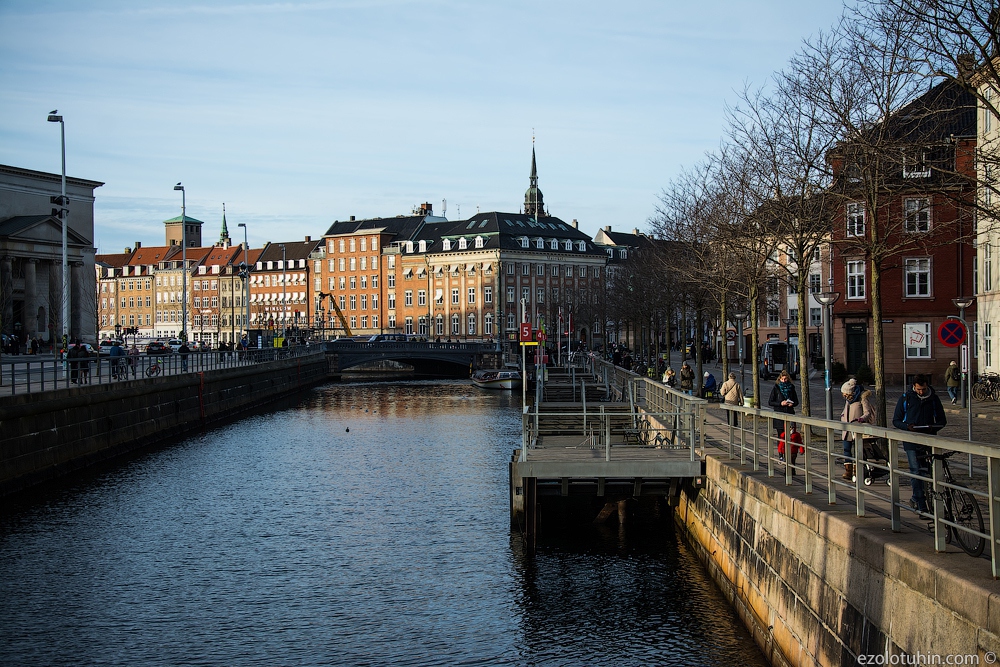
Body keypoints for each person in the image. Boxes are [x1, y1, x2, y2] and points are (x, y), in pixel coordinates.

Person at [892, 374, 946, 514]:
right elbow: (896, 420)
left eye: (923, 389)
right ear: (914, 387)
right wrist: (907, 427)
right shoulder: (906, 398)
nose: (921, 392)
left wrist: (932, 427)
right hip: (911, 441)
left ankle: (922, 499)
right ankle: (921, 504)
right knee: (915, 471)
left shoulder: (933, 398)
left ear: (927, 386)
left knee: (929, 472)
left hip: (929, 439)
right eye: (918, 389)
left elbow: (942, 420)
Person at [839, 378, 874, 480]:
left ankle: (857, 470)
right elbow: (846, 410)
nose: (844, 396)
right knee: (846, 449)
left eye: (845, 394)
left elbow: (867, 412)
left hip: (858, 428)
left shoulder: (862, 398)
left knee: (858, 450)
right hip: (847, 428)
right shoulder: (848, 401)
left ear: (851, 393)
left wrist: (861, 419)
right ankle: (848, 471)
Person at [767, 370, 798, 436]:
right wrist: (780, 403)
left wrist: (792, 404)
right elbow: (770, 402)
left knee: (790, 436)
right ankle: (781, 446)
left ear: (788, 379)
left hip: (789, 414)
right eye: (782, 379)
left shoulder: (791, 388)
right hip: (779, 416)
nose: (784, 380)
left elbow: (796, 401)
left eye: (785, 379)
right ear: (780, 379)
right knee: (781, 436)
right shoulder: (776, 388)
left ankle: (788, 446)